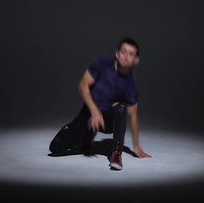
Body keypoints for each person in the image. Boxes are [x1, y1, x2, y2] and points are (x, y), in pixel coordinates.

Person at [49, 37, 151, 170]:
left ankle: (116, 153)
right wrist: (94, 111)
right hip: (89, 115)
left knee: (121, 107)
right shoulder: (101, 64)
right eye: (123, 52)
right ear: (117, 53)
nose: (126, 56)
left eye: (131, 54)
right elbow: (82, 85)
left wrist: (136, 146)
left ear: (136, 60)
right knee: (55, 148)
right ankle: (88, 134)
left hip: (107, 121)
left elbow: (133, 116)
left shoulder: (131, 84)